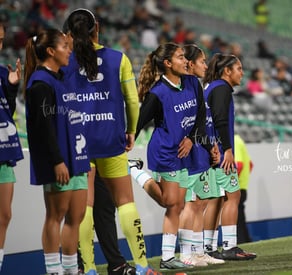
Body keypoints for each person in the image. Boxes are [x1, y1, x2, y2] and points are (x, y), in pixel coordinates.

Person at [63, 9, 161, 275]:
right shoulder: (118, 58)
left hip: (78, 142)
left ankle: (90, 270)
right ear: (97, 28)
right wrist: (130, 130)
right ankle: (142, 266)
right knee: (125, 202)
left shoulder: (63, 60)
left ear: (69, 34)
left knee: (84, 205)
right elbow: (132, 100)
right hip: (110, 138)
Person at [135, 42, 207, 270]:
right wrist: (124, 143)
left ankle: (167, 258)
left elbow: (201, 116)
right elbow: (137, 123)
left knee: (177, 205)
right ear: (167, 64)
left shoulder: (192, 82)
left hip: (185, 149)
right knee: (170, 202)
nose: (185, 60)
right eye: (180, 57)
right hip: (165, 151)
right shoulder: (157, 93)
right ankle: (136, 171)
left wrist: (191, 138)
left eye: (185, 57)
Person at [24, 28, 90, 275]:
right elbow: (42, 128)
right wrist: (57, 160)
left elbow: (73, 62)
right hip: (59, 161)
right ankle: (54, 270)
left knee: (77, 216)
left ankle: (72, 269)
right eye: (64, 46)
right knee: (55, 215)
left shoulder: (61, 78)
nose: (69, 50)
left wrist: (72, 42)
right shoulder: (40, 83)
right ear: (51, 51)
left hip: (77, 158)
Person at [202, 53, 257, 260]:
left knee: (216, 198)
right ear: (227, 71)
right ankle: (229, 246)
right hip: (220, 153)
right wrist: (227, 150)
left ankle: (208, 247)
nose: (242, 73)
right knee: (233, 196)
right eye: (239, 68)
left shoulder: (211, 88)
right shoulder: (222, 89)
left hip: (209, 152)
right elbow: (220, 120)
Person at [178, 44, 224, 266]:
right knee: (191, 203)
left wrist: (211, 146)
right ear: (190, 62)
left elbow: (203, 125)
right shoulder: (184, 87)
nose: (206, 66)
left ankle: (197, 251)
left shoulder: (195, 86)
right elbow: (190, 125)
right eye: (202, 61)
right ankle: (185, 253)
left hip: (201, 149)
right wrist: (208, 145)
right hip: (189, 152)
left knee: (200, 202)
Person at [0, 22, 23, 272]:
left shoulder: (1, 72)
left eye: (1, 39)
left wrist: (12, 87)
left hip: (4, 152)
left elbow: (8, 111)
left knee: (4, 216)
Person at [234, 134, 253, 244]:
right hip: (242, 186)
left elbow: (238, 165)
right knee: (240, 216)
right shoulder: (239, 140)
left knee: (236, 217)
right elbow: (250, 164)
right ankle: (245, 240)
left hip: (237, 187)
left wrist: (231, 183)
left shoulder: (235, 141)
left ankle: (240, 241)